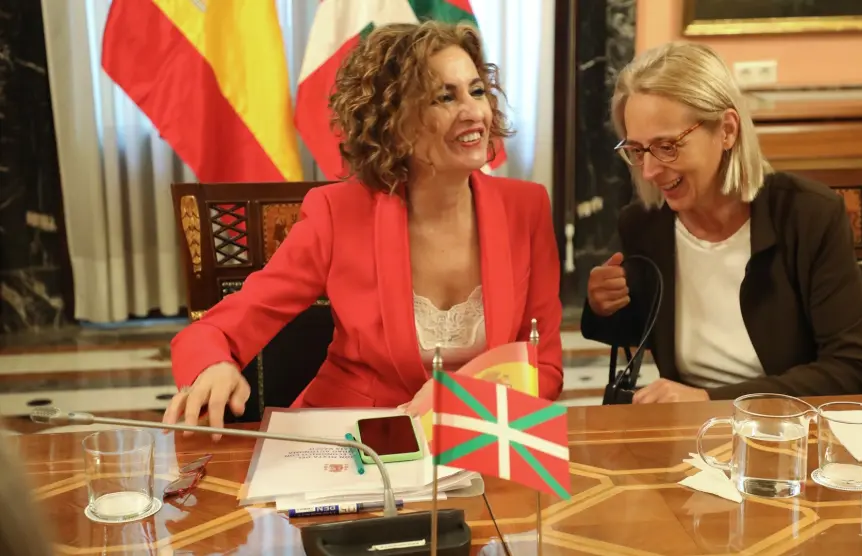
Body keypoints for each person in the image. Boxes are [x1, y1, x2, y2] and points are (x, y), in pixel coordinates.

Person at [164, 21, 563, 431]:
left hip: (479, 438)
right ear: (396, 125)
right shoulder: (337, 214)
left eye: (476, 91)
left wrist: (462, 400)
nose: (475, 112)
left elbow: (544, 368)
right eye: (445, 97)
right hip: (353, 437)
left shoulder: (527, 208)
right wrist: (212, 365)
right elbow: (217, 329)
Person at [582, 42, 862, 403]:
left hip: (796, 426)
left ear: (726, 130)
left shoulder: (808, 215)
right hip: (690, 430)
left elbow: (854, 370)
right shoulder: (644, 225)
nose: (648, 171)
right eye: (637, 150)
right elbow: (637, 330)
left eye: (667, 147)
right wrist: (603, 305)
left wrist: (710, 400)